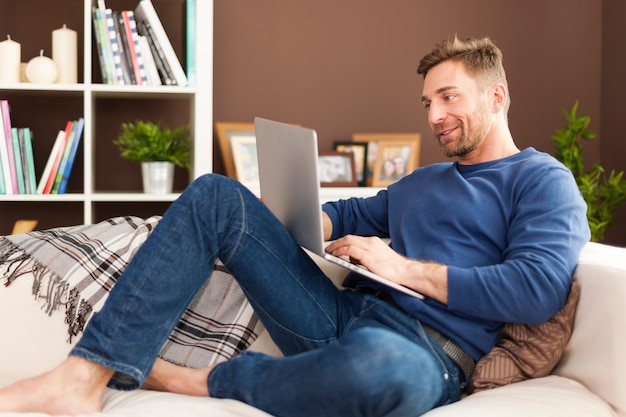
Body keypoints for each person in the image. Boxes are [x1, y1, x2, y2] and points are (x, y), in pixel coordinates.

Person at [0, 36, 590, 417]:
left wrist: (403, 268)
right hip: (336, 314)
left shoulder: (542, 181)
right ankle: (80, 378)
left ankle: (194, 382)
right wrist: (304, 220)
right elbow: (353, 213)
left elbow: (536, 289)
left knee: (375, 368)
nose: (434, 116)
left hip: (428, 352)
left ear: (497, 97)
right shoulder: (423, 181)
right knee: (215, 194)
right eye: (426, 103)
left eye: (448, 98)